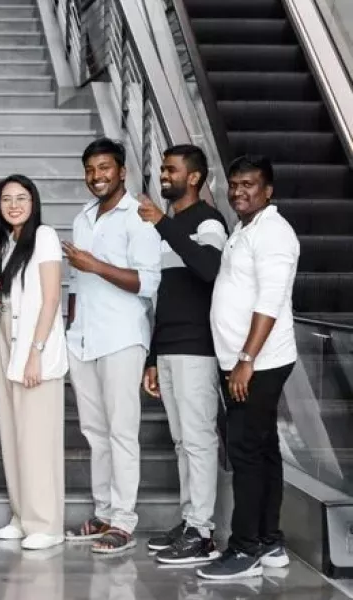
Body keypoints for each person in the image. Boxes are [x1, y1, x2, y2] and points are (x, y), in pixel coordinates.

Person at [197, 155, 299, 580]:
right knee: (263, 450)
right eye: (234, 185)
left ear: (268, 190)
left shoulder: (273, 232)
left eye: (249, 185)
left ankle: (245, 548)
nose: (239, 192)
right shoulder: (247, 228)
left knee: (246, 453)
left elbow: (269, 301)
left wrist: (245, 360)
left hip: (257, 363)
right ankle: (269, 540)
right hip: (249, 362)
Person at [63, 138, 161, 553]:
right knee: (94, 431)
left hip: (122, 337)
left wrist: (94, 265)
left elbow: (148, 282)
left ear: (122, 171)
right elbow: (76, 282)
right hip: (82, 338)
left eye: (104, 168)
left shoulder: (139, 217)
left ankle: (123, 520)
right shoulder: (83, 216)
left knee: (122, 432)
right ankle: (104, 513)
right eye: (90, 170)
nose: (97, 176)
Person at [138, 145, 227, 564]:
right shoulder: (173, 224)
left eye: (171, 170)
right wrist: (153, 357)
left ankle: (203, 532)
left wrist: (162, 224)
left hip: (197, 349)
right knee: (180, 442)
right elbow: (166, 295)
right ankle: (191, 520)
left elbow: (209, 268)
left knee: (198, 440)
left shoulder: (208, 220)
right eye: (162, 168)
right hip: (171, 347)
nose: (163, 175)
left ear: (194, 177)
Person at [0, 175, 68, 551]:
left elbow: (51, 298)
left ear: (34, 201)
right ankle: (22, 516)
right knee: (13, 434)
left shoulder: (45, 237)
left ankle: (47, 523)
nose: (14, 205)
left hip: (34, 343)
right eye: (7, 199)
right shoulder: (5, 243)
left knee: (38, 437)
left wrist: (36, 351)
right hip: (6, 339)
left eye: (22, 198)